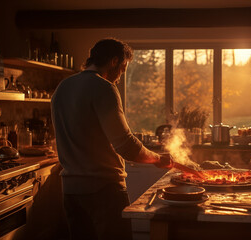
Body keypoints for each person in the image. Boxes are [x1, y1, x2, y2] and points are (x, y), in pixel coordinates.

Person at [51, 38, 172, 240]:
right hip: (103, 191)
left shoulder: (63, 87)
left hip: (71, 193)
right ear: (114, 61)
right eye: (123, 69)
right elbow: (126, 145)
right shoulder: (103, 88)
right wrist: (158, 159)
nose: (120, 76)